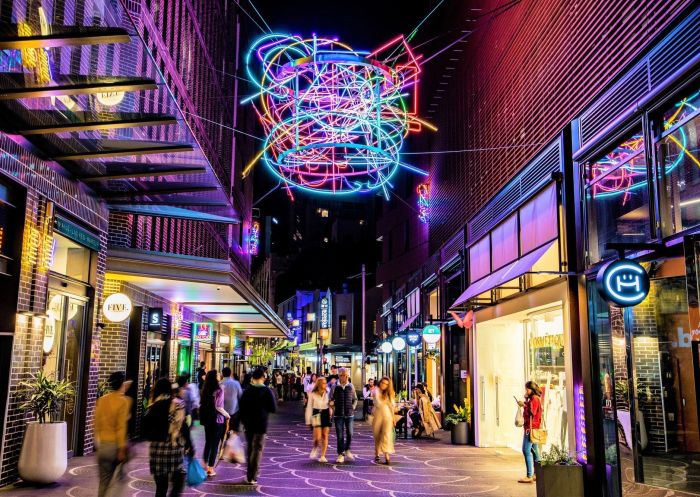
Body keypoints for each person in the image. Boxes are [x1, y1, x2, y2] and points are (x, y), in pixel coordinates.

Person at [148, 378, 193, 497]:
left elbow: (147, 429)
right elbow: (183, 426)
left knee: (161, 487)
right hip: (173, 448)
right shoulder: (178, 404)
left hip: (156, 449)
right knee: (178, 483)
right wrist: (190, 444)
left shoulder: (152, 406)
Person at [95, 371, 132, 497]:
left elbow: (95, 422)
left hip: (103, 446)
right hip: (115, 447)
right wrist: (122, 448)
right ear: (121, 384)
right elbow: (121, 427)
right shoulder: (123, 402)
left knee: (103, 482)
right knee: (118, 482)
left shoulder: (102, 400)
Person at [239, 368, 277, 485]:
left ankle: (249, 474)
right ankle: (253, 477)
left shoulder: (247, 391)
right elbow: (273, 408)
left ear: (253, 378)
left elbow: (241, 408)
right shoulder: (267, 391)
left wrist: (243, 421)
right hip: (261, 424)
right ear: (262, 377)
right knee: (258, 449)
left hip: (248, 424)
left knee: (250, 448)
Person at [200, 370, 230, 477]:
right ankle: (210, 468)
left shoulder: (205, 389)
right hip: (217, 420)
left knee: (208, 441)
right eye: (217, 374)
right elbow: (218, 407)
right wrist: (227, 415)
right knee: (214, 444)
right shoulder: (219, 389)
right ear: (214, 377)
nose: (219, 375)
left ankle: (204, 464)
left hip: (207, 419)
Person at [329, 367, 357, 463]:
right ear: (338, 376)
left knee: (350, 433)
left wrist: (353, 407)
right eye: (341, 375)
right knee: (340, 435)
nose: (343, 377)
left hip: (349, 414)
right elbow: (330, 399)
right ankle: (341, 454)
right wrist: (332, 405)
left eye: (344, 375)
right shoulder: (334, 387)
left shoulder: (351, 386)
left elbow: (355, 399)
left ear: (347, 376)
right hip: (338, 415)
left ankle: (347, 449)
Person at [517, 380, 543, 483]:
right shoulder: (532, 399)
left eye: (527, 389)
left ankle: (529, 476)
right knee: (535, 452)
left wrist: (524, 404)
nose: (526, 391)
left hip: (531, 429)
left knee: (526, 450)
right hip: (532, 428)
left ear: (531, 389)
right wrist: (526, 400)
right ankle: (537, 474)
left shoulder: (535, 399)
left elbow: (532, 412)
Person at [305, 376, 332, 463]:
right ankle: (315, 447)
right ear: (319, 384)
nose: (325, 384)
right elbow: (309, 407)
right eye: (323, 383)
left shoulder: (328, 392)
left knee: (325, 435)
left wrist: (331, 407)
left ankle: (323, 455)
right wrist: (308, 420)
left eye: (325, 382)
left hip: (325, 413)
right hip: (316, 413)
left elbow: (331, 403)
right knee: (317, 436)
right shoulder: (313, 393)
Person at [372, 376, 396, 465]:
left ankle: (387, 456)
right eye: (382, 383)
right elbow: (378, 403)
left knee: (386, 435)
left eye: (386, 384)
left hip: (387, 416)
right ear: (380, 382)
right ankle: (377, 454)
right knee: (377, 435)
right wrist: (385, 401)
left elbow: (391, 406)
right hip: (378, 415)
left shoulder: (390, 393)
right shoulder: (375, 390)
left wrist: (393, 418)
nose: (383, 385)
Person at [221, 367, 243, 432]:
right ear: (230, 374)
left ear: (222, 374)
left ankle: (224, 440)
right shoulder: (236, 383)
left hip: (222, 412)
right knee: (232, 430)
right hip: (234, 411)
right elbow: (240, 396)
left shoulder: (219, 384)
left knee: (223, 431)